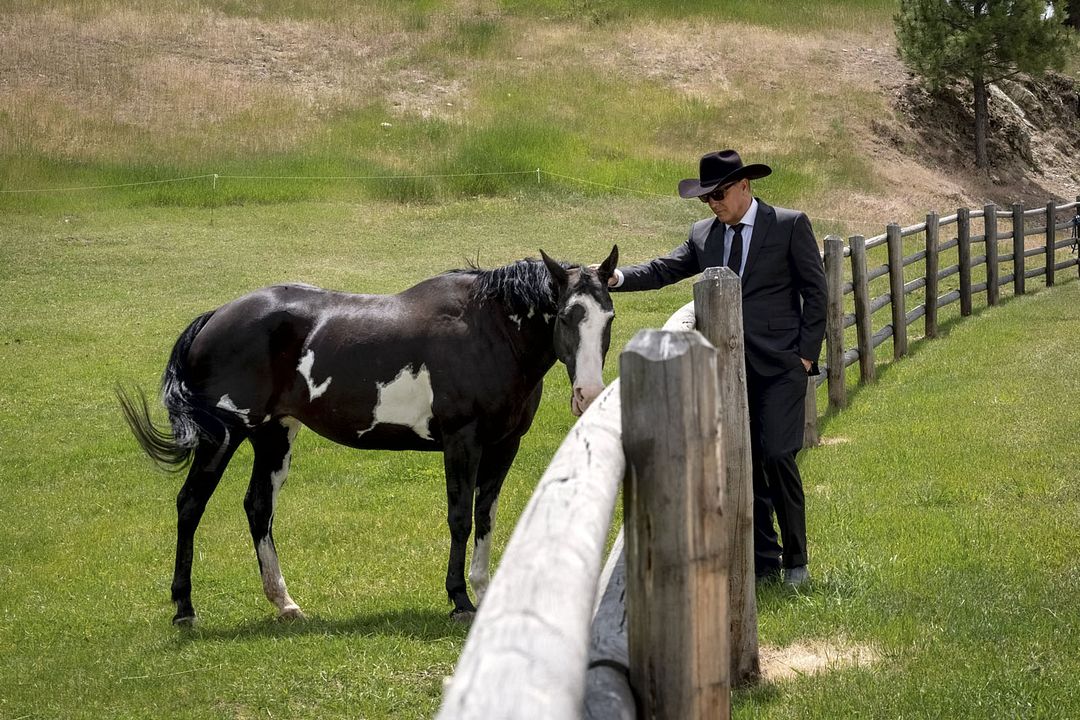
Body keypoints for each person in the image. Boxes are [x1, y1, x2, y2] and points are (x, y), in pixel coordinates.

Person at [607, 149, 827, 587]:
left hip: (781, 367)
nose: (714, 204)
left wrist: (804, 355)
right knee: (743, 460)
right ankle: (764, 560)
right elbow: (664, 268)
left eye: (719, 194)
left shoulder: (788, 225)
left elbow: (816, 292)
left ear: (745, 185)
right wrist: (616, 278)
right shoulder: (703, 234)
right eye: (707, 198)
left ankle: (796, 562)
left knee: (778, 455)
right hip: (725, 371)